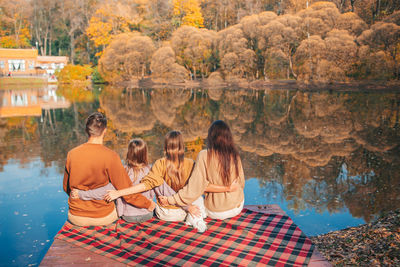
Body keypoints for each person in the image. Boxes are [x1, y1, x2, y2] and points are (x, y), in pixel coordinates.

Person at [104, 130, 238, 232]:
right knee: (197, 196)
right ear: (182, 146)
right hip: (184, 211)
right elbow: (204, 186)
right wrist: (227, 188)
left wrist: (119, 192)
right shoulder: (191, 163)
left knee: (158, 183)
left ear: (165, 147)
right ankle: (195, 217)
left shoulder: (159, 164)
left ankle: (194, 215)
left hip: (165, 214)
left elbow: (145, 185)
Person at [63, 112, 155, 226]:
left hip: (76, 216)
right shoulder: (111, 156)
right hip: (102, 216)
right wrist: (147, 204)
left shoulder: (72, 154)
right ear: (105, 131)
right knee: (114, 189)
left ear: (87, 130)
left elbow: (66, 188)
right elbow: (126, 190)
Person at [158, 120, 245, 220]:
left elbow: (194, 188)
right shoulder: (234, 154)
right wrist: (228, 188)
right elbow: (241, 183)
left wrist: (171, 200)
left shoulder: (204, 155)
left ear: (211, 136)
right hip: (237, 206)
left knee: (196, 198)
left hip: (217, 212)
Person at [70, 138, 155, 223]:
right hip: (147, 213)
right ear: (145, 154)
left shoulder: (123, 171)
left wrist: (81, 194)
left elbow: (104, 192)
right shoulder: (151, 170)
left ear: (129, 153)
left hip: (128, 216)